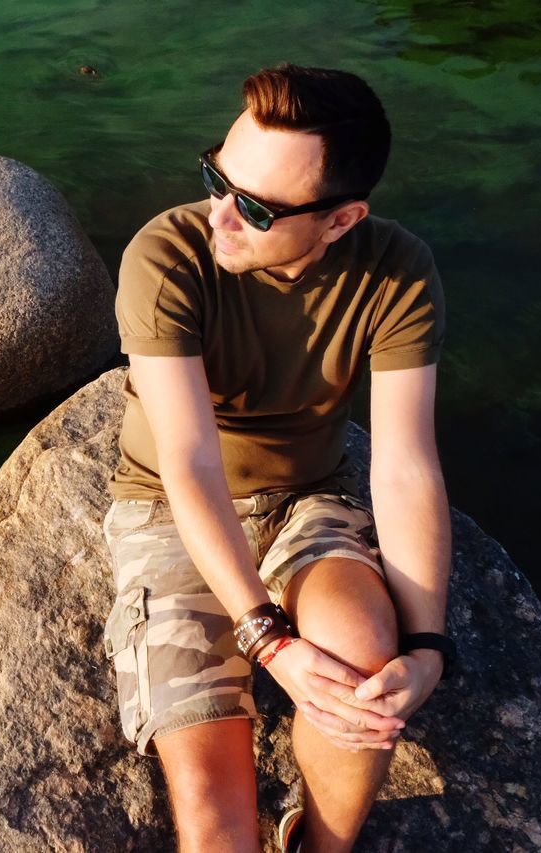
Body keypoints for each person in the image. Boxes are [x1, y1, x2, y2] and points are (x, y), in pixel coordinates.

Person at [100, 63, 455, 853]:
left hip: (307, 497)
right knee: (215, 820)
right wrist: (269, 639)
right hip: (170, 506)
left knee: (365, 659)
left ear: (340, 219)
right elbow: (188, 464)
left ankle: (319, 843)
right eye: (216, 178)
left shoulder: (397, 273)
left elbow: (404, 466)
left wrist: (426, 647)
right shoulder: (168, 256)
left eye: (255, 207)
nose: (221, 213)